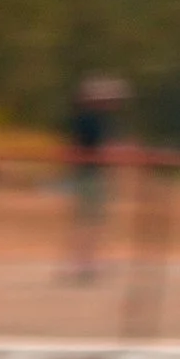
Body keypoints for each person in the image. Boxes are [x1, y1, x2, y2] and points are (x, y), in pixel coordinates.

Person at [62, 73, 129, 284]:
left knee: (91, 219)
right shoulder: (91, 120)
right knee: (89, 220)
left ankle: (88, 260)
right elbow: (100, 148)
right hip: (90, 174)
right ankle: (85, 262)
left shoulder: (94, 119)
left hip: (91, 173)